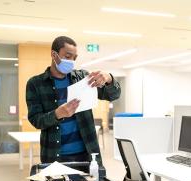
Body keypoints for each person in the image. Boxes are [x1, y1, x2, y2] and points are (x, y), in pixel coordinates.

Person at [26, 36, 121, 170]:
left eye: (74, 58)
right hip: (55, 156)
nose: (71, 61)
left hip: (88, 155)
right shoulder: (35, 84)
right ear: (54, 54)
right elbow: (35, 120)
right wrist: (57, 114)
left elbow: (113, 95)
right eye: (68, 56)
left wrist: (109, 79)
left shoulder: (82, 78)